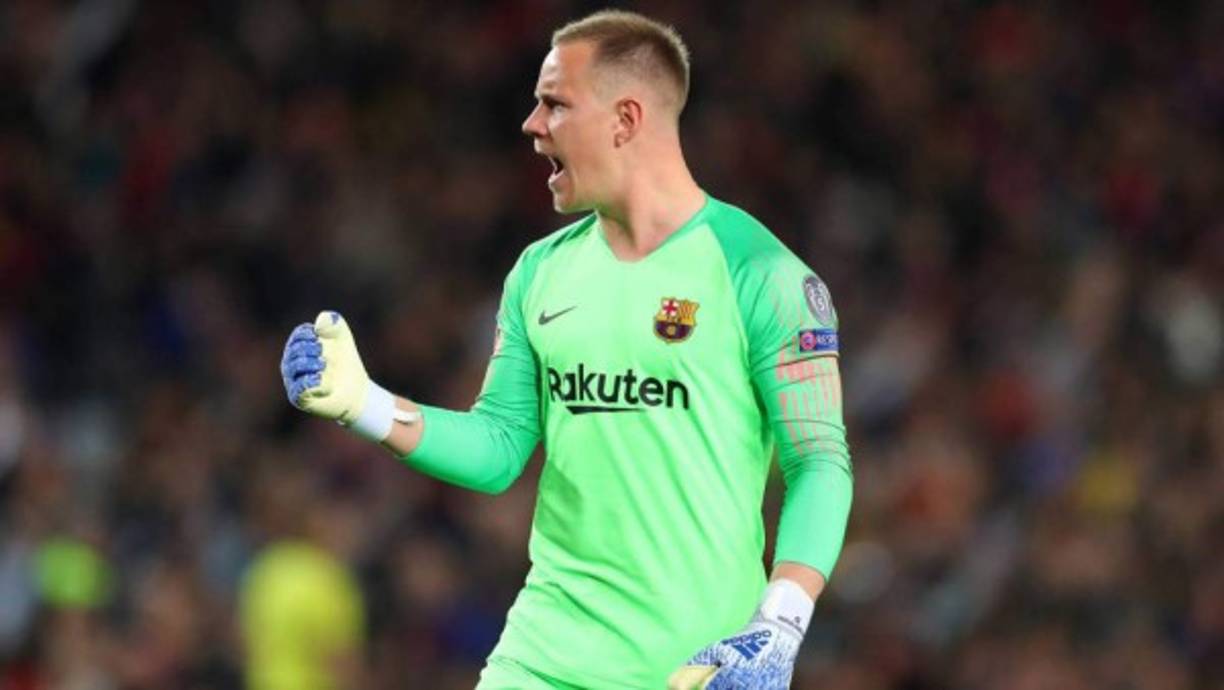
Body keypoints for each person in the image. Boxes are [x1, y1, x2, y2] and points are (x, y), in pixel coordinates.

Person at [280, 9, 852, 690]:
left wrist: (780, 624)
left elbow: (818, 459)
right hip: (543, 658)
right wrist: (365, 404)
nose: (531, 124)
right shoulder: (539, 273)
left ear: (626, 119)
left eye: (554, 103)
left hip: (698, 670)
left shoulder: (763, 274)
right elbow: (499, 447)